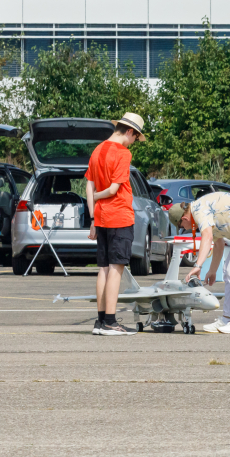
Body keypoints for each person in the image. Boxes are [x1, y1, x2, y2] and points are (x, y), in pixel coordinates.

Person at [168, 192, 230, 334]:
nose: (184, 229)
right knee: (229, 270)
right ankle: (228, 318)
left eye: (181, 226)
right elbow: (218, 243)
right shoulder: (203, 212)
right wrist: (213, 270)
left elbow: (207, 237)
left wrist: (198, 266)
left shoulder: (199, 210)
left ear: (184, 218)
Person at [85, 112, 146, 336]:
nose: (134, 142)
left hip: (100, 217)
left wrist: (92, 213)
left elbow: (88, 186)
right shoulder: (123, 153)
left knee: (103, 268)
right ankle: (111, 322)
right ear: (130, 131)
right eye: (135, 137)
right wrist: (99, 197)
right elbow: (112, 190)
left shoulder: (97, 149)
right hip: (119, 215)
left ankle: (100, 321)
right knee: (116, 269)